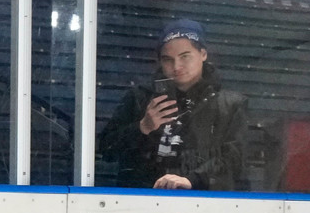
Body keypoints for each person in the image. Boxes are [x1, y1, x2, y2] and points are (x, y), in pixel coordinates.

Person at [98, 19, 247, 191]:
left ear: (203, 54)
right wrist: (141, 128)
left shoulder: (230, 105)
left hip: (204, 206)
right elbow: (106, 150)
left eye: (185, 56)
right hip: (141, 203)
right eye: (168, 59)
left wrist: (193, 180)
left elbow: (235, 160)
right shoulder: (139, 97)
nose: (176, 66)